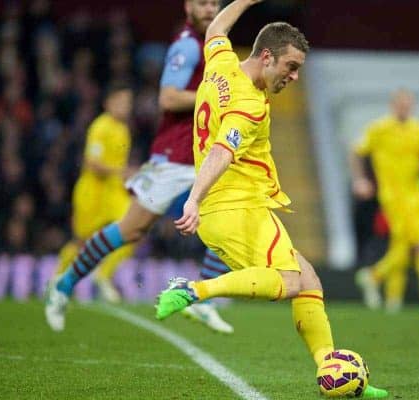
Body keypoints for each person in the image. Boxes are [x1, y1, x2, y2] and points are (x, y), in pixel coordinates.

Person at [154, 0, 387, 397]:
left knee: (309, 280)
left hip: (233, 208)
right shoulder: (250, 105)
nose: (294, 77)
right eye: (290, 67)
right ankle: (194, 291)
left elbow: (215, 31)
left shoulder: (221, 66)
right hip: (234, 207)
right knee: (292, 281)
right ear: (266, 56)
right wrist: (193, 198)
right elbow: (222, 153)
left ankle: (330, 368)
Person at [45, 0, 233, 334]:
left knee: (229, 220)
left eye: (215, 4)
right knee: (130, 230)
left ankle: (202, 301)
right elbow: (168, 98)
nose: (209, 9)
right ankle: (64, 284)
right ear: (189, 6)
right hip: (173, 158)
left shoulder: (217, 46)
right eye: (203, 3)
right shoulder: (187, 45)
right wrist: (214, 95)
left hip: (203, 155)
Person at [351, 89, 419, 313]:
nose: (406, 108)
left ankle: (388, 291)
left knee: (410, 244)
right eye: (402, 104)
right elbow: (356, 151)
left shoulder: (418, 129)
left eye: (409, 105)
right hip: (392, 197)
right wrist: (359, 180)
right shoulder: (379, 129)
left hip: (416, 196)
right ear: (393, 105)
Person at [51, 82, 135, 304]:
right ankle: (57, 279)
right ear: (108, 103)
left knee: (133, 230)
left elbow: (118, 165)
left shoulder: (123, 129)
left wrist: (129, 175)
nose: (125, 106)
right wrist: (122, 170)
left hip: (114, 192)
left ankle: (103, 275)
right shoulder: (100, 127)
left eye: (128, 102)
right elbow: (92, 163)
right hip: (92, 191)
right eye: (121, 101)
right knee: (81, 241)